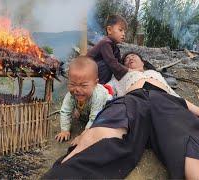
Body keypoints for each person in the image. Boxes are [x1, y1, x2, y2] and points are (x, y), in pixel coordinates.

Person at [43, 52, 199, 179]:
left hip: (164, 100)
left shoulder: (155, 74)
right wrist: (82, 111)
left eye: (134, 57)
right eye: (126, 59)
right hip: (132, 100)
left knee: (188, 141)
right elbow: (102, 91)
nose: (129, 58)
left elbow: (177, 98)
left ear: (143, 63)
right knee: (97, 137)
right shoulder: (118, 77)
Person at [55, 56, 112, 143]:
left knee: (104, 120)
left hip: (103, 107)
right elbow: (65, 111)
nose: (77, 89)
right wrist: (65, 130)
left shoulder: (98, 96)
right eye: (72, 84)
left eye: (83, 85)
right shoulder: (71, 95)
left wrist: (84, 135)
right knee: (80, 112)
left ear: (95, 84)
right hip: (88, 106)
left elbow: (94, 119)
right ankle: (83, 111)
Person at [87, 15, 129, 84]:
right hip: (85, 70)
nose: (123, 34)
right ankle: (99, 85)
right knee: (108, 64)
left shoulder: (116, 48)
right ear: (109, 30)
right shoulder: (105, 43)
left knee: (115, 65)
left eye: (124, 32)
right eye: (120, 30)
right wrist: (128, 70)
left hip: (95, 71)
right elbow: (111, 62)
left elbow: (120, 64)